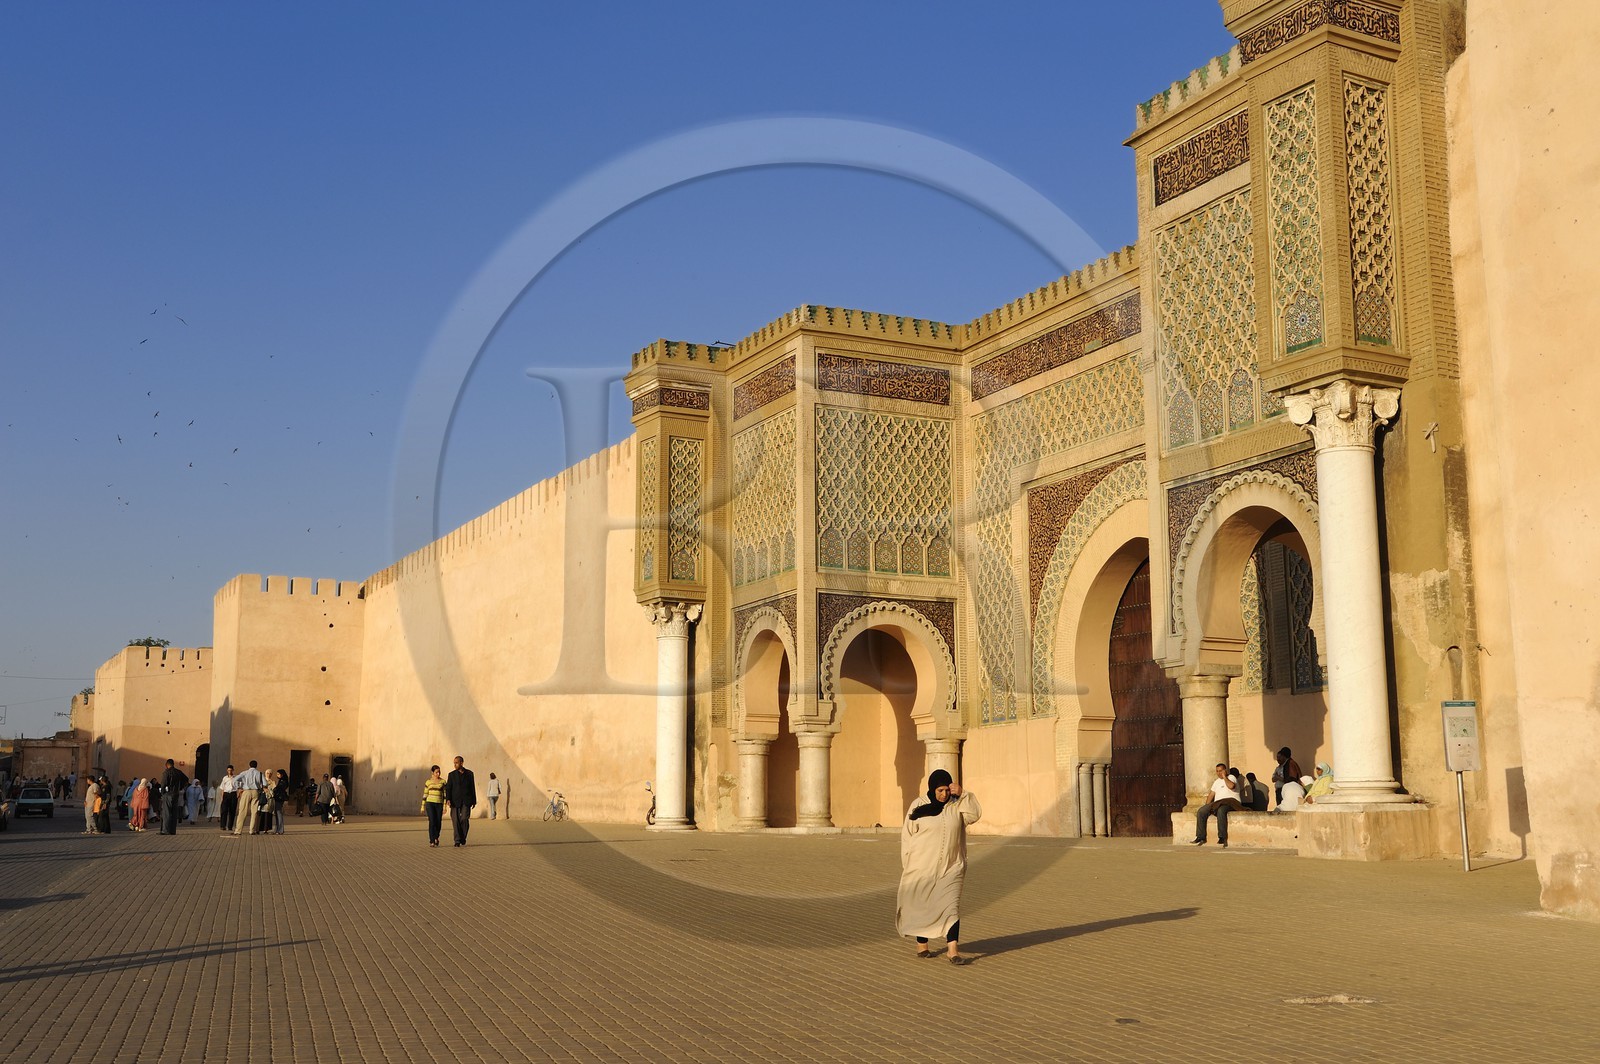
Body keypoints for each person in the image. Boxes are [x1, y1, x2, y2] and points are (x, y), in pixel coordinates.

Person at [896, 768, 982, 965]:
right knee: (922, 905)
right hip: (922, 867)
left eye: (946, 790)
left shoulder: (956, 805)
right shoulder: (918, 806)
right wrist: (908, 864)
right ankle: (922, 945)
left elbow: (975, 814)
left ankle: (953, 950)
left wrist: (962, 794)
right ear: (932, 789)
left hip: (951, 867)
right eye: (940, 791)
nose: (943, 795)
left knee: (951, 907)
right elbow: (907, 838)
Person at [1192, 763, 1242, 848]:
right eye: (1217, 771)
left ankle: (1222, 837)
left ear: (1225, 770)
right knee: (1201, 811)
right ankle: (1200, 836)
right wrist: (1207, 807)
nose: (1219, 773)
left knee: (1221, 810)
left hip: (1231, 802)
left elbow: (1231, 786)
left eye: (1221, 771)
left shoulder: (1231, 778)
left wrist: (1225, 777)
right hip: (1218, 803)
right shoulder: (1216, 782)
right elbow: (1211, 795)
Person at [445, 756, 476, 847]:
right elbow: (448, 788)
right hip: (455, 801)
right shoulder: (451, 775)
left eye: (456, 763)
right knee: (455, 820)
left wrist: (474, 800)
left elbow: (472, 788)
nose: (455, 765)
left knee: (464, 819)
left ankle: (463, 837)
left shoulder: (469, 774)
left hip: (466, 800)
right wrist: (448, 799)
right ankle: (457, 840)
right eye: (454, 763)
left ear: (462, 763)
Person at [232, 761, 265, 836]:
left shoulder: (244, 773)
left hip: (246, 791)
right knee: (254, 812)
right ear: (256, 765)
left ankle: (238, 830)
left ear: (249, 765)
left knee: (242, 810)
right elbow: (265, 783)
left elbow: (234, 780)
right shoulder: (259, 773)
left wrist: (238, 787)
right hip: (256, 791)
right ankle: (252, 830)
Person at [160, 759, 188, 835]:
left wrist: (162, 793)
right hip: (176, 794)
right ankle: (173, 830)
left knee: (167, 813)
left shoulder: (166, 773)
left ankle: (165, 830)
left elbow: (163, 784)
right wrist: (180, 787)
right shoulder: (178, 772)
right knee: (174, 813)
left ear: (167, 765)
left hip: (168, 794)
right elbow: (186, 779)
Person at [421, 765, 447, 847]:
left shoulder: (443, 781)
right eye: (436, 772)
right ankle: (432, 840)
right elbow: (425, 794)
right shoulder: (428, 782)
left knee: (438, 822)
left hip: (439, 804)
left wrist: (445, 807)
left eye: (439, 772)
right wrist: (422, 806)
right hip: (430, 803)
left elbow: (445, 795)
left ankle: (436, 837)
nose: (438, 773)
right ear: (432, 773)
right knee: (432, 821)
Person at [270, 770, 290, 835]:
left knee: (279, 813)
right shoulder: (281, 781)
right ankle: (277, 829)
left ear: (282, 775)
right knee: (277, 813)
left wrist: (274, 787)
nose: (277, 775)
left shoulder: (283, 781)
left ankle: (280, 830)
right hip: (278, 798)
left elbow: (279, 789)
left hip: (279, 799)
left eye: (278, 774)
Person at [218, 766, 238, 833]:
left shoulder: (236, 778)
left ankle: (230, 826)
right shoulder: (225, 778)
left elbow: (239, 786)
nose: (230, 771)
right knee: (224, 810)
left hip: (233, 794)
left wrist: (238, 795)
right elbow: (222, 788)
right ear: (227, 770)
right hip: (226, 794)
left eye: (231, 770)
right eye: (229, 770)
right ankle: (223, 825)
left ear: (233, 770)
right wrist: (222, 797)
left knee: (232, 811)